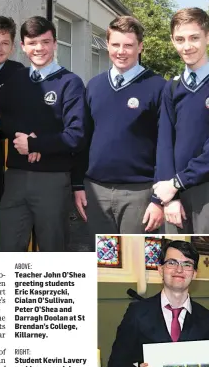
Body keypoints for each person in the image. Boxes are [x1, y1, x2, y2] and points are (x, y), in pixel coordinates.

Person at [0, 16, 87, 252]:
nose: (39, 48)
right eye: (32, 43)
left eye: (45, 42)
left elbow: (76, 135)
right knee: (7, 247)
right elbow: (0, 115)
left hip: (52, 180)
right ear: (23, 47)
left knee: (52, 250)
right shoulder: (17, 80)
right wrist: (23, 137)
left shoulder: (71, 83)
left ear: (55, 44)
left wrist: (37, 145)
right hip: (15, 177)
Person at [108, 240, 209, 367]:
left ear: (195, 273)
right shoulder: (137, 313)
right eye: (172, 263)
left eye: (187, 264)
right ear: (160, 270)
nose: (179, 269)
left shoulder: (208, 318)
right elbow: (116, 361)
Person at [71, 16, 165, 234]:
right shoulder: (94, 86)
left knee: (135, 257)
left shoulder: (158, 87)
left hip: (139, 193)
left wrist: (158, 199)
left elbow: (165, 146)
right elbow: (83, 139)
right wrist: (78, 184)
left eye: (128, 45)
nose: (121, 51)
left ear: (140, 46)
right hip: (95, 191)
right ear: (108, 45)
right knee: (102, 262)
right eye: (115, 44)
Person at [153, 8, 209, 234]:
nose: (187, 46)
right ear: (172, 41)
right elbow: (164, 142)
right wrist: (169, 195)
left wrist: (177, 183)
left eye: (194, 38)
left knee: (205, 251)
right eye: (180, 39)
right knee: (175, 248)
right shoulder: (171, 87)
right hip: (174, 193)